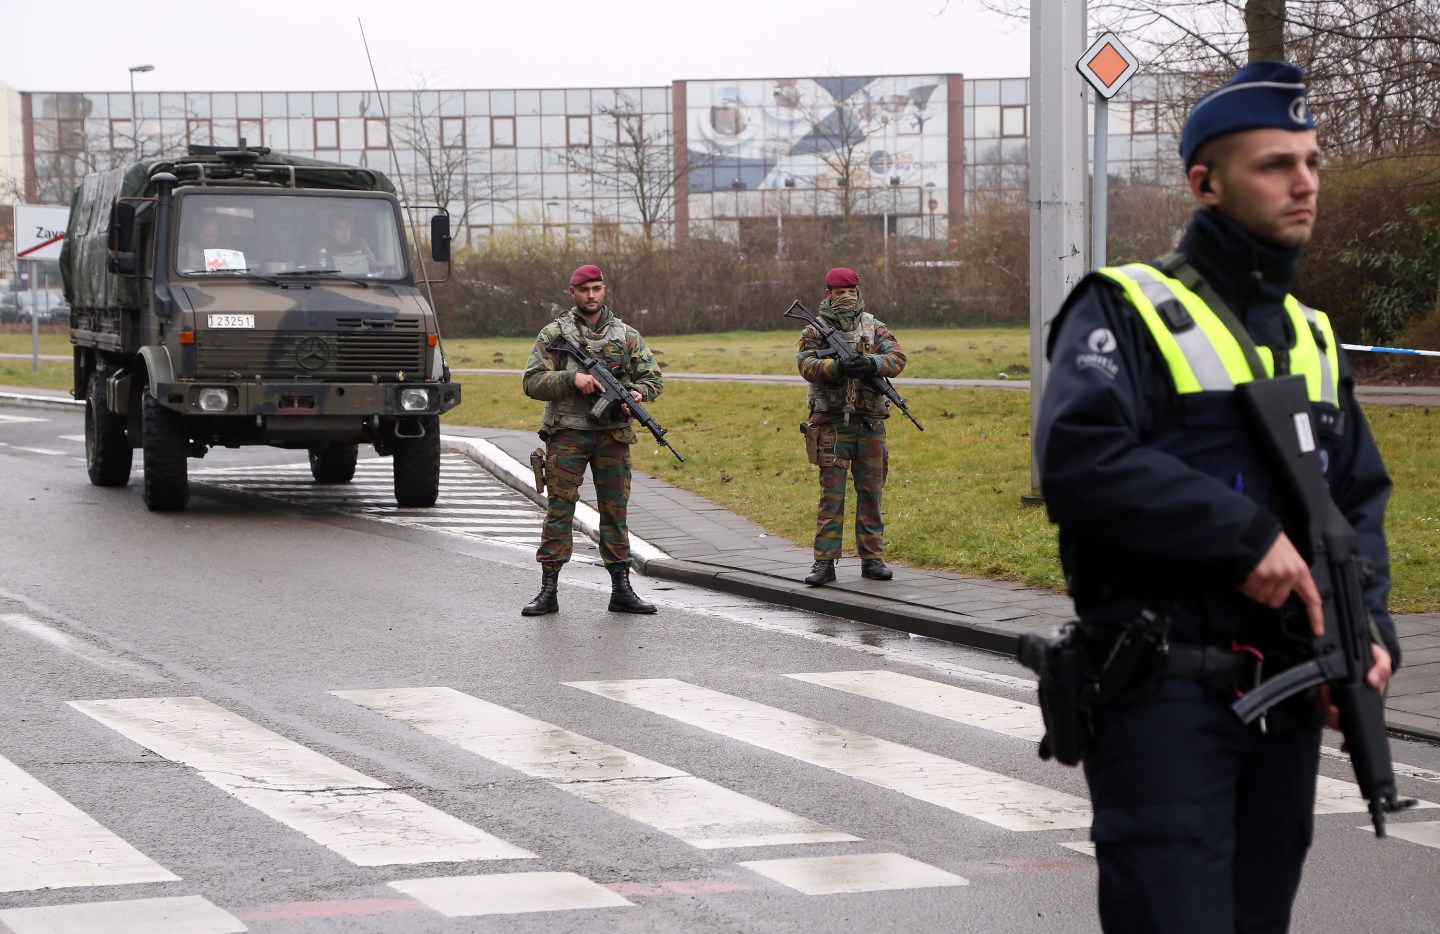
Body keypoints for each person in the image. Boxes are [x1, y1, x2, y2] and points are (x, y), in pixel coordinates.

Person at [1036, 62, 1400, 934]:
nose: (1303, 182)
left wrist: (1370, 631)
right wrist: (1242, 535)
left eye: (1312, 162)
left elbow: (1357, 501)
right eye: (1276, 164)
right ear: (1205, 182)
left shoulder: (1312, 333)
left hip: (1288, 696)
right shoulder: (1126, 308)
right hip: (1165, 693)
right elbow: (1080, 458)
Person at [520, 263, 664, 616]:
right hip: (568, 434)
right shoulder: (554, 333)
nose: (591, 295)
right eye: (584, 289)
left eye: (597, 288)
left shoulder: (626, 335)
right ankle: (548, 590)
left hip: (612, 436)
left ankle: (621, 588)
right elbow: (532, 381)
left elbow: (653, 379)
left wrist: (637, 395)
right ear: (573, 292)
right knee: (560, 510)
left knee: (615, 512)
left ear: (605, 290)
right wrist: (572, 379)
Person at [795, 266, 907, 586]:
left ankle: (872, 559)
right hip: (830, 425)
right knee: (832, 496)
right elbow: (806, 364)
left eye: (850, 292)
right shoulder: (814, 330)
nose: (845, 297)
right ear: (827, 294)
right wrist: (837, 365)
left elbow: (897, 359)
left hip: (869, 424)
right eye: (838, 292)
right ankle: (824, 562)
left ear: (857, 292)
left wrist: (872, 363)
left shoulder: (875, 327)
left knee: (871, 493)